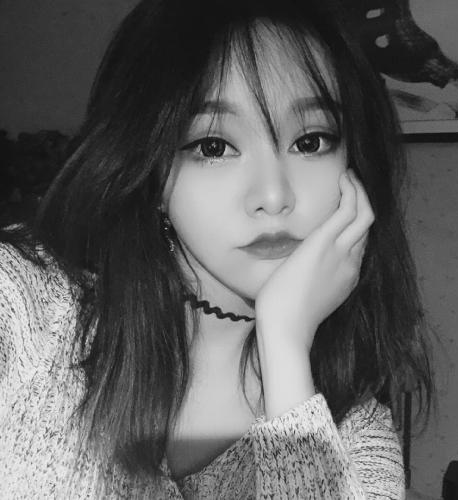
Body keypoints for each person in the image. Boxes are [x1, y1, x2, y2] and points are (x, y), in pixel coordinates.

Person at [0, 0, 434, 497]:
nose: (274, 196)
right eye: (213, 147)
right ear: (150, 169)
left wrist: (285, 346)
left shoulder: (354, 436)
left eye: (311, 141)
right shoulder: (24, 308)